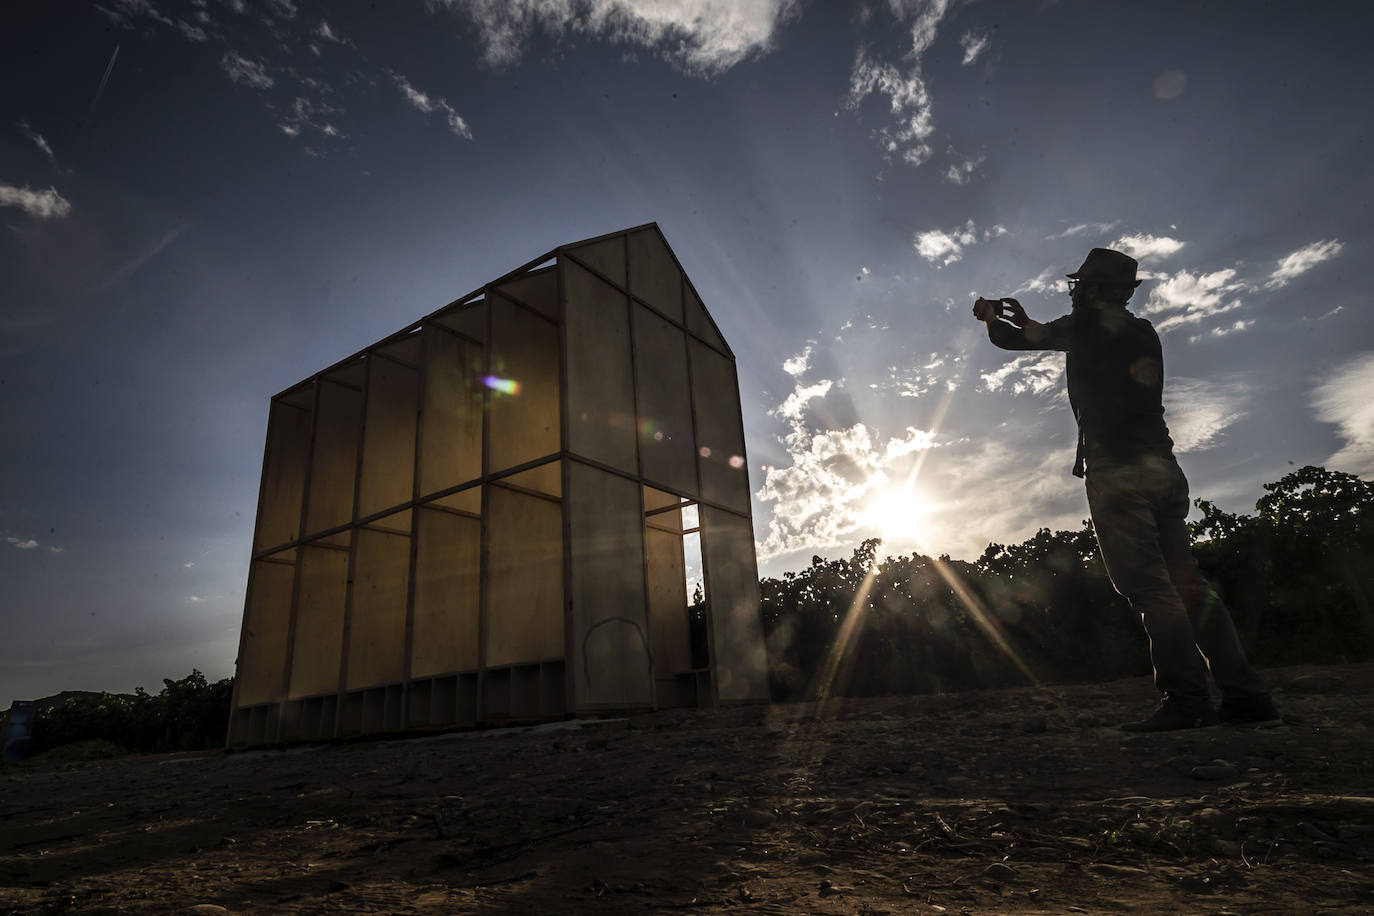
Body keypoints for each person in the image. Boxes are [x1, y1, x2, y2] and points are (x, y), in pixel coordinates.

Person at [972, 247, 1278, 731]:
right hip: (1163, 468)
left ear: (1092, 289)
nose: (1074, 295)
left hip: (1118, 472)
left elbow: (1014, 343)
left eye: (1079, 287)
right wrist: (1030, 321)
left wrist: (991, 319)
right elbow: (1048, 335)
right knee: (1191, 586)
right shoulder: (1143, 332)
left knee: (1150, 588)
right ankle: (1246, 696)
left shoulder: (1086, 325)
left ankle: (1187, 700)